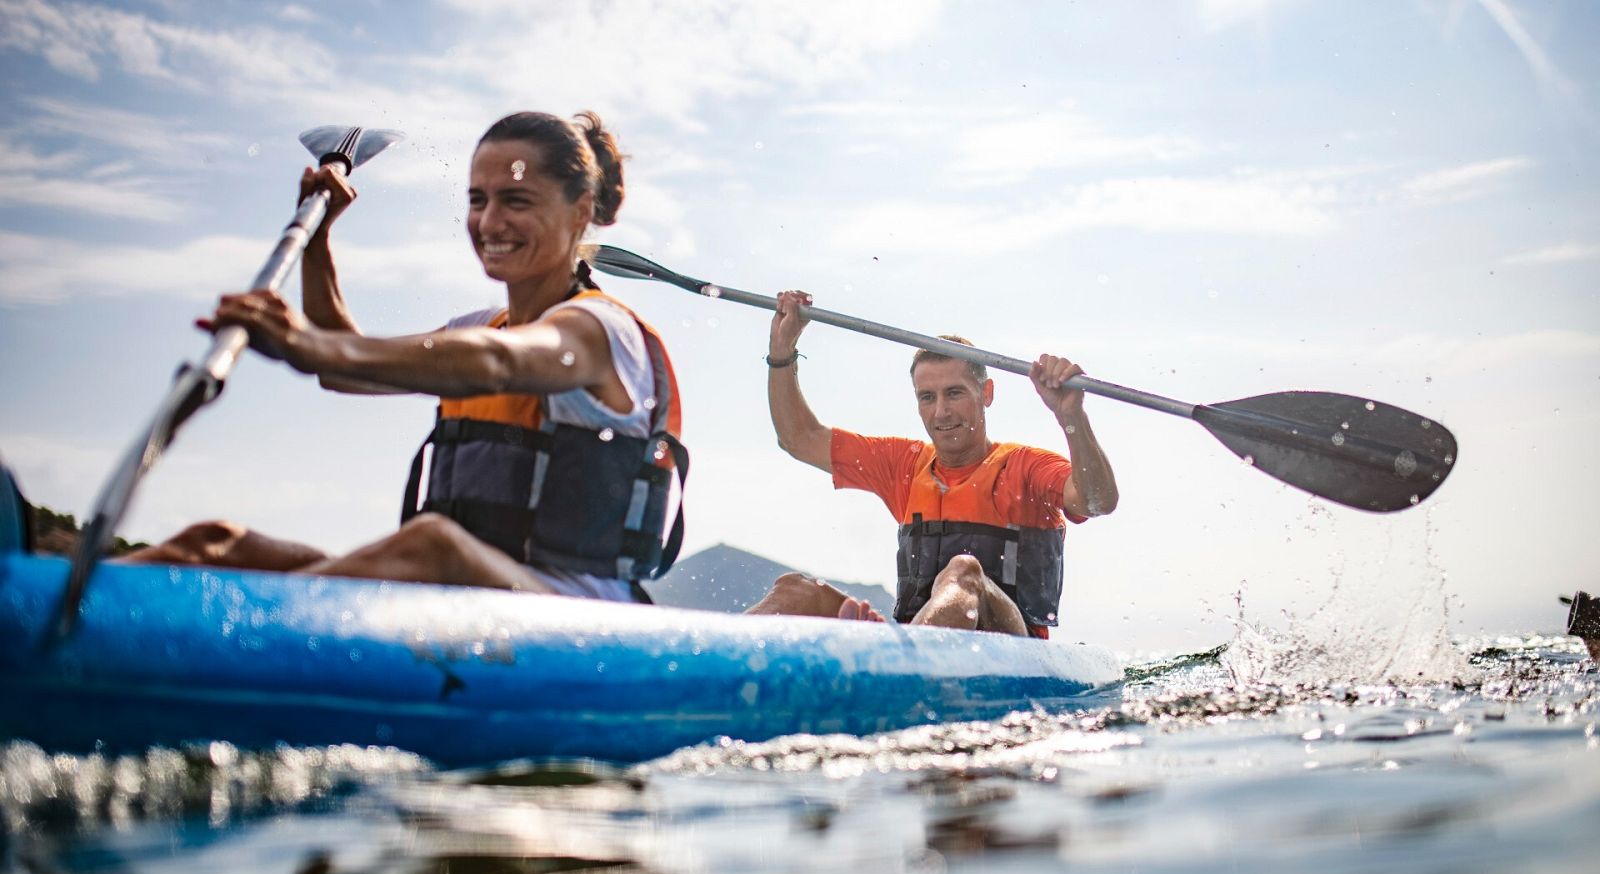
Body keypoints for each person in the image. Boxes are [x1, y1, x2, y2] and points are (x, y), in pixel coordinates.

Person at [127, 111, 686, 603]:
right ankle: (51, 605)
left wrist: (306, 341)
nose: (490, 222)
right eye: (478, 200)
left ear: (579, 210)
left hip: (577, 618)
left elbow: (495, 361)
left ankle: (242, 637)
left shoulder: (600, 331)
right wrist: (318, 244)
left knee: (433, 545)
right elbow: (342, 368)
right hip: (463, 597)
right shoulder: (477, 325)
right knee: (218, 543)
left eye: (516, 200)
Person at [746, 291, 1117, 637]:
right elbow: (798, 438)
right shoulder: (903, 465)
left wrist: (1071, 416)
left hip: (1012, 650)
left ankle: (900, 663)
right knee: (794, 590)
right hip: (920, 640)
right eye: (927, 397)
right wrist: (782, 350)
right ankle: (695, 672)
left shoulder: (1025, 467)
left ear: (985, 394)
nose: (941, 412)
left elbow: (1098, 501)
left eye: (954, 393)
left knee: (963, 571)